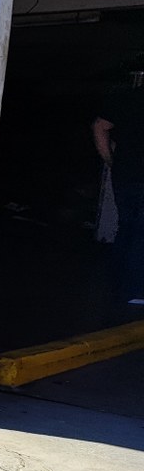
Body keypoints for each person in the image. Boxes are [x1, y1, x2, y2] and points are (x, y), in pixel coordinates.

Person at [92, 70, 144, 306]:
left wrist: (110, 159)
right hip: (134, 174)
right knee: (139, 232)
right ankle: (134, 290)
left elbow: (100, 126)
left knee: (127, 227)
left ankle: (118, 285)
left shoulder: (128, 98)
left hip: (125, 172)